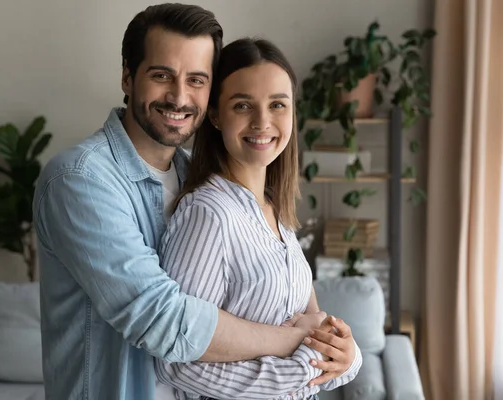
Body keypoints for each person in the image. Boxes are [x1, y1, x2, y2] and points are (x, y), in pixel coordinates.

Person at [34, 4, 334, 400]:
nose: (179, 97)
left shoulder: (200, 178)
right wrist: (290, 341)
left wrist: (331, 346)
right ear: (127, 76)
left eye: (197, 80)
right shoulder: (80, 180)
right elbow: (163, 319)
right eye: (162, 76)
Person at [154, 38, 363, 400]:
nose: (263, 122)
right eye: (243, 105)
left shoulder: (277, 215)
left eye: (278, 105)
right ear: (216, 115)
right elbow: (177, 361)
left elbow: (321, 335)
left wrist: (350, 357)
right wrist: (300, 367)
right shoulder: (208, 215)